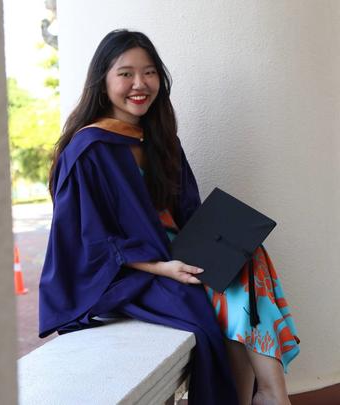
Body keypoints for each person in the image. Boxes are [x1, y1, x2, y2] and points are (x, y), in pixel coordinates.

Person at [39, 29, 299, 405]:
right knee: (231, 286)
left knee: (246, 257)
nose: (140, 84)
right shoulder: (89, 149)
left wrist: (220, 240)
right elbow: (90, 240)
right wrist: (162, 268)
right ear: (103, 80)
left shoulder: (158, 138)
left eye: (149, 72)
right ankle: (270, 395)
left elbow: (187, 210)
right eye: (125, 73)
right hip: (119, 273)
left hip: (169, 251)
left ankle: (265, 395)